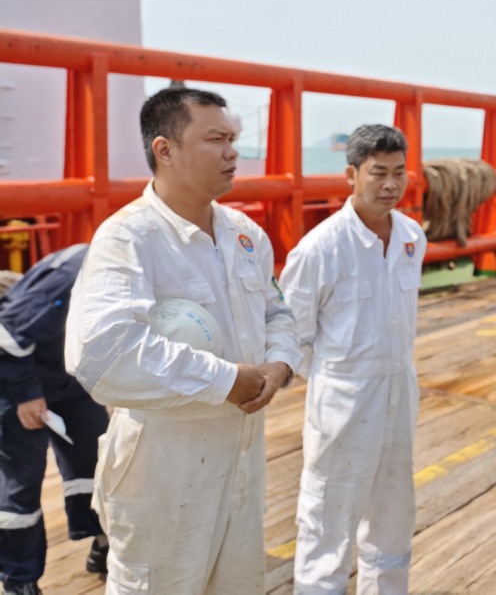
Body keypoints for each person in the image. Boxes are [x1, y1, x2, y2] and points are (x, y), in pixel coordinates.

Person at [65, 87, 301, 594]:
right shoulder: (129, 238)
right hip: (163, 473)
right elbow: (102, 355)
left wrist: (279, 364)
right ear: (164, 149)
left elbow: (276, 311)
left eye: (232, 139)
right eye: (216, 139)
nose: (232, 153)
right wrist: (225, 380)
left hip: (241, 463)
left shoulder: (245, 235)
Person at [281, 124, 426, 595]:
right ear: (351, 174)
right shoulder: (320, 248)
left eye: (399, 173)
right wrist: (335, 378)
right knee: (328, 516)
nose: (391, 184)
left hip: (399, 391)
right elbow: (293, 335)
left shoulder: (411, 236)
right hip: (343, 397)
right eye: (378, 173)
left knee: (393, 511)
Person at [1, 245, 109, 595]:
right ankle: (19, 579)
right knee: (20, 483)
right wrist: (26, 395)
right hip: (15, 378)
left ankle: (104, 542)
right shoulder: (73, 275)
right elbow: (8, 334)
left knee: (97, 461)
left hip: (70, 377)